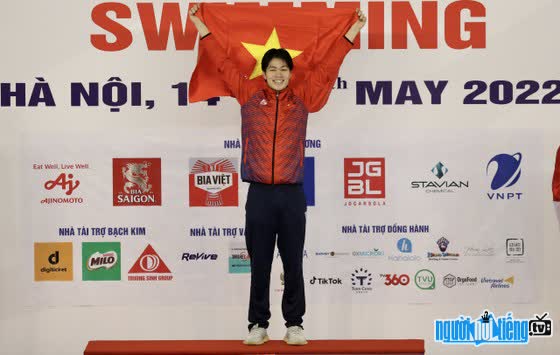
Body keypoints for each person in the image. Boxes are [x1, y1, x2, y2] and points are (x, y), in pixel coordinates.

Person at [189, 3, 366, 345]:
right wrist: (200, 22)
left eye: (284, 69)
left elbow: (329, 66)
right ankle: (258, 325)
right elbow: (222, 63)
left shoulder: (303, 99)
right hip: (259, 194)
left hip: (292, 194)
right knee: (260, 265)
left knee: (293, 264)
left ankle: (295, 325)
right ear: (264, 71)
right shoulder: (248, 95)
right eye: (272, 69)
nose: (279, 74)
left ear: (290, 71)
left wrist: (352, 31)